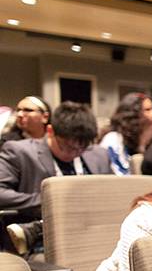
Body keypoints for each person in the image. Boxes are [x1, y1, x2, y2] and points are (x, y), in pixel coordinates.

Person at [0, 101, 111, 253]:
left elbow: (112, 194)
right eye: (67, 147)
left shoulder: (98, 154)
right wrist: (51, 203)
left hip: (95, 235)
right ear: (51, 131)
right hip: (44, 245)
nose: (74, 153)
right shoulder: (19, 152)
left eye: (81, 148)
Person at [100, 93, 152, 175]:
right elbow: (122, 179)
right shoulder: (113, 140)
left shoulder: (148, 138)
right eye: (148, 110)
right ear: (133, 115)